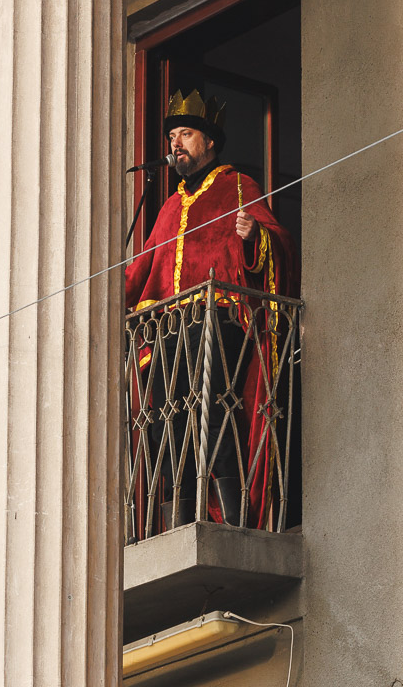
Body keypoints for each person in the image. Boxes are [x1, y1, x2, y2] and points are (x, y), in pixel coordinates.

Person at [125, 89, 295, 531]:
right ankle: (178, 519)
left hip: (217, 321)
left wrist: (254, 236)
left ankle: (234, 516)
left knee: (213, 411)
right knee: (167, 424)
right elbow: (143, 267)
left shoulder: (238, 186)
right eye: (172, 137)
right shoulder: (168, 206)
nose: (175, 144)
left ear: (210, 141)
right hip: (168, 331)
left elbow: (277, 242)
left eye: (185, 134)